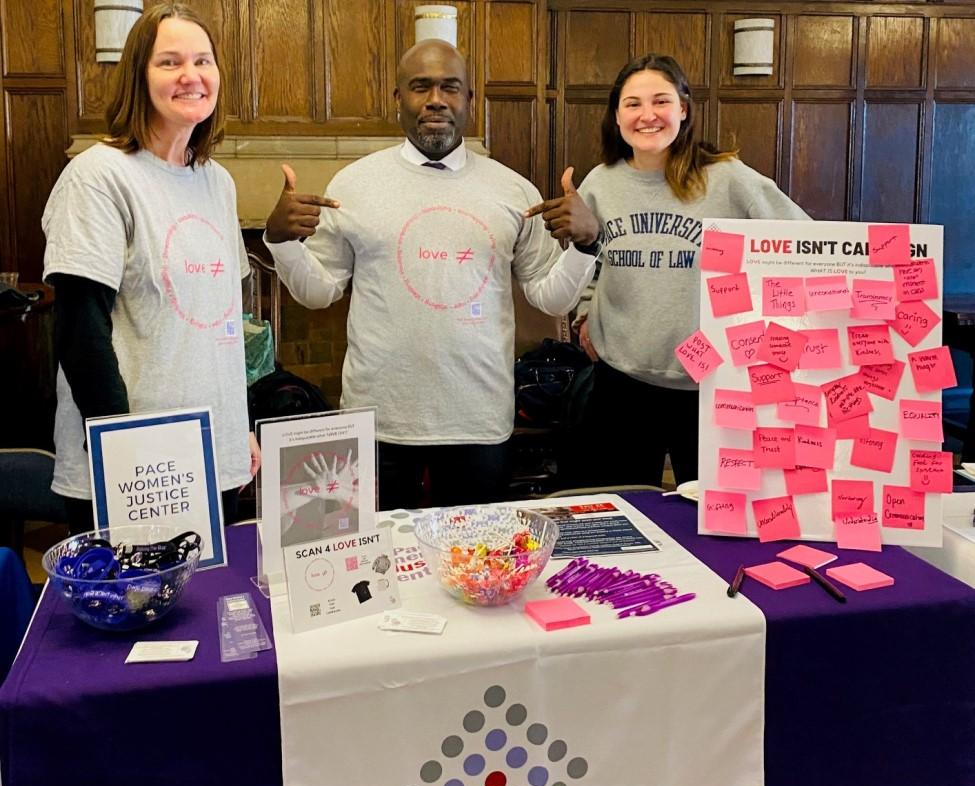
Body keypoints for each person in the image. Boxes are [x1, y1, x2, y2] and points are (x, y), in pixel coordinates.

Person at [264, 39, 601, 510]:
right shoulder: (354, 185)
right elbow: (318, 293)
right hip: (379, 418)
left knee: (471, 572)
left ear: (468, 101)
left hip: (479, 420)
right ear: (397, 98)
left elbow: (551, 299)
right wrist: (281, 243)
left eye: (450, 87)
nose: (436, 99)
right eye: (421, 87)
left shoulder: (511, 188)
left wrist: (586, 246)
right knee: (382, 572)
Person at [42, 2, 259, 534]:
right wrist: (125, 453)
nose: (191, 76)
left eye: (203, 61)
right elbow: (79, 333)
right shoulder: (98, 176)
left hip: (213, 454)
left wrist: (240, 427)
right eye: (169, 62)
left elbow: (222, 328)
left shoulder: (217, 182)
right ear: (138, 77)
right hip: (138, 470)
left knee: (207, 612)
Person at [568, 54, 808, 489]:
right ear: (617, 116)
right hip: (621, 382)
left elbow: (802, 243)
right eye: (632, 104)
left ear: (683, 108)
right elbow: (587, 258)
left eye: (660, 101)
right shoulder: (599, 182)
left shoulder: (727, 178)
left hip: (712, 387)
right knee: (623, 516)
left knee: (715, 521)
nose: (647, 115)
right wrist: (586, 310)